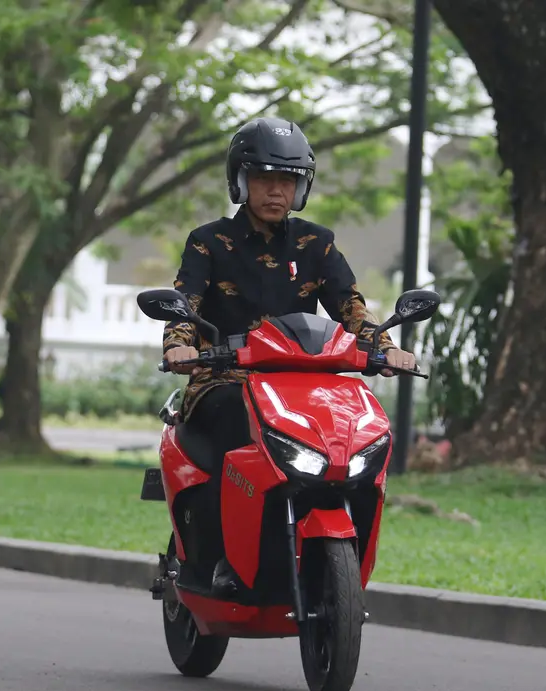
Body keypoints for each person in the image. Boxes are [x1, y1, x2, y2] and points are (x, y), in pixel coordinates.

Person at [161, 116, 416, 593]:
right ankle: (217, 561)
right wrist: (179, 344)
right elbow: (186, 304)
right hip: (226, 380)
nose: (276, 190)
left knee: (358, 432)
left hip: (307, 385)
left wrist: (385, 348)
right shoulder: (209, 241)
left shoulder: (316, 243)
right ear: (240, 180)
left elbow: (351, 307)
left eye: (287, 180)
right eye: (264, 178)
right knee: (235, 430)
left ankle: (342, 561)